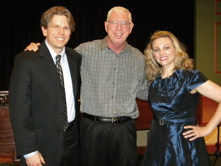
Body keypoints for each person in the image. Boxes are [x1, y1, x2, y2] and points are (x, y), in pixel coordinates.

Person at [25, 6, 149, 166]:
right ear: (106, 25)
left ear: (131, 28)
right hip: (93, 130)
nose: (119, 28)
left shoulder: (139, 58)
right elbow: (56, 56)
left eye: (124, 23)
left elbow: (145, 91)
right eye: (114, 22)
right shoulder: (84, 51)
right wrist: (38, 48)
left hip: (125, 131)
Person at [9, 6, 81, 166]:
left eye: (66, 27)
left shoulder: (75, 58)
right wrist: (29, 151)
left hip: (72, 143)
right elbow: (19, 109)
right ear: (44, 30)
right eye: (55, 26)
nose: (61, 32)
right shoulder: (26, 60)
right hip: (41, 146)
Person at [142, 30, 221, 166]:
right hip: (157, 139)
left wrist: (208, 129)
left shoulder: (191, 77)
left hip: (182, 142)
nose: (162, 53)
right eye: (157, 49)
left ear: (175, 49)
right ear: (152, 55)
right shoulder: (154, 81)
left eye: (166, 47)